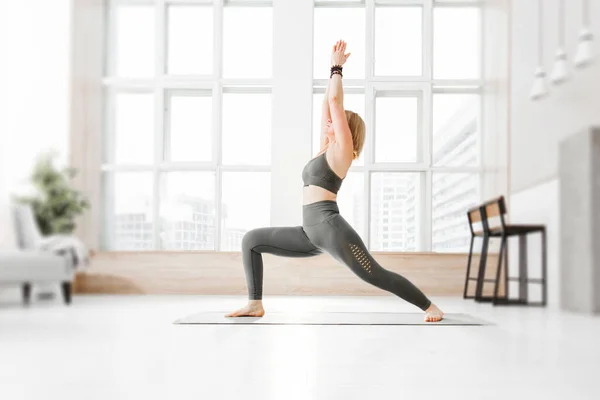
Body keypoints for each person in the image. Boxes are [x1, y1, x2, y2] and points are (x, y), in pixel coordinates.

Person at [226, 40, 444, 322]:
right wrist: (329, 73)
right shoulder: (324, 149)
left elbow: (335, 103)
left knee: (374, 274)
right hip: (308, 232)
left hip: (330, 229)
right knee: (251, 240)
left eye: (336, 121)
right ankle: (254, 304)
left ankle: (429, 306)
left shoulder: (342, 153)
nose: (330, 120)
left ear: (346, 132)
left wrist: (336, 67)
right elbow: (326, 105)